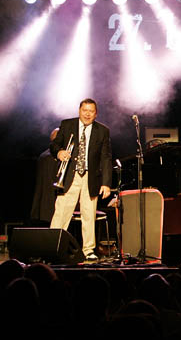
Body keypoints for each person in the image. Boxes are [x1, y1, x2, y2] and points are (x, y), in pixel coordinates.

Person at [50, 98, 112, 261]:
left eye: (91, 111)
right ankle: (54, 246)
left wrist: (106, 183)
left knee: (89, 215)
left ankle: (88, 250)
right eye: (85, 110)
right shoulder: (67, 125)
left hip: (90, 178)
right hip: (70, 176)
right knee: (61, 213)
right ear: (79, 110)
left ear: (96, 114)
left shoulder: (103, 131)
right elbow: (54, 145)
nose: (87, 114)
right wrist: (59, 152)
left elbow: (106, 158)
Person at [30, 128, 60, 226]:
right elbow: (51, 182)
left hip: (46, 204)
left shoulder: (45, 155)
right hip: (51, 204)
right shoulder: (50, 157)